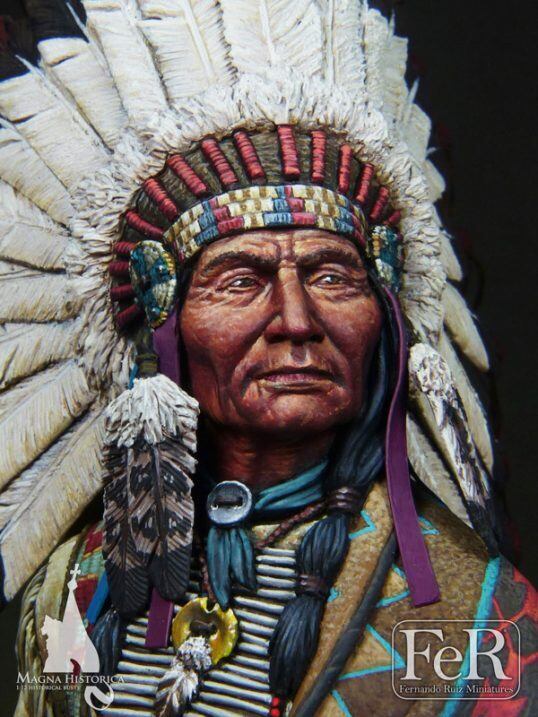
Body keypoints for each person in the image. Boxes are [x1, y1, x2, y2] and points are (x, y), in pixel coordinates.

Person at [0, 2, 535, 716]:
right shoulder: (75, 585)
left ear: (384, 317)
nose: (296, 321)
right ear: (163, 320)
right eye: (240, 281)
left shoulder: (478, 614)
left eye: (332, 277)